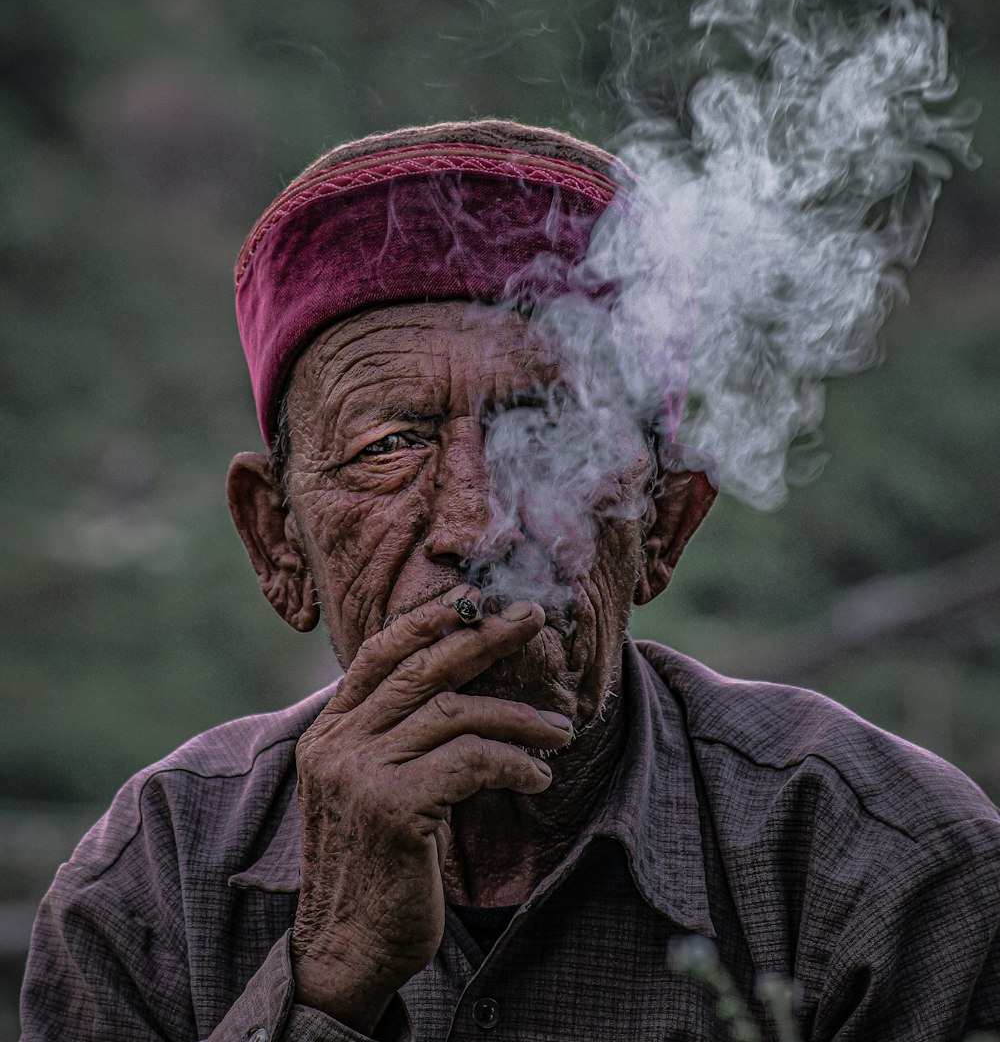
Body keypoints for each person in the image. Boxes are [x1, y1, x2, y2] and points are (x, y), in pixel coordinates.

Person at [20, 121, 1000, 1041]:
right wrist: (328, 977)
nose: (472, 522)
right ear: (277, 540)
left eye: (552, 438)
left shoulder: (894, 867)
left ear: (662, 524)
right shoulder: (144, 890)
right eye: (387, 444)